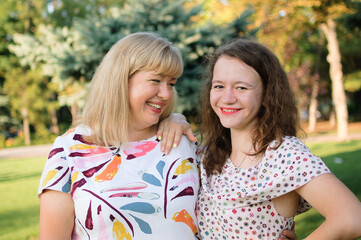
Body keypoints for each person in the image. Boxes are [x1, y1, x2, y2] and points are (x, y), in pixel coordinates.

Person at [193, 38, 361, 239]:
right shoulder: (208, 154)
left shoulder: (283, 154)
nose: (227, 97)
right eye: (219, 86)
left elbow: (351, 218)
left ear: (266, 94)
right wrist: (173, 121)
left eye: (241, 88)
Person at [38, 32, 200, 239]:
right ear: (121, 80)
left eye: (171, 83)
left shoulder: (181, 142)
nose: (166, 94)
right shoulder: (69, 150)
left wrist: (177, 119)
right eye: (155, 80)